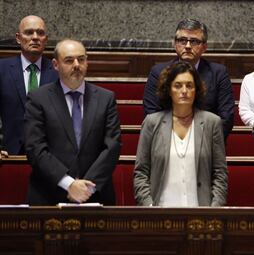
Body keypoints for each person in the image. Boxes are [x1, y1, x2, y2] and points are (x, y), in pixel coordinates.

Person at [24, 39, 121, 205]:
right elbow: (35, 147)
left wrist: (85, 188)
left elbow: (112, 147)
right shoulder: (38, 98)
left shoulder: (106, 98)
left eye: (81, 59)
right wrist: (69, 184)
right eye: (69, 60)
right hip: (49, 196)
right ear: (55, 64)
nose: (77, 65)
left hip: (96, 196)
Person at [134, 62, 228, 207]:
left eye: (189, 85)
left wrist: (213, 210)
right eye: (178, 85)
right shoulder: (152, 123)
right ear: (169, 90)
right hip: (160, 212)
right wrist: (150, 208)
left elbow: (220, 173)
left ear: (196, 90)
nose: (184, 90)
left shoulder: (212, 123)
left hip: (201, 213)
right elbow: (141, 173)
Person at [143, 18, 234, 139]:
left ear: (204, 47)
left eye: (194, 41)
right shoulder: (158, 72)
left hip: (206, 144)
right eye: (182, 40)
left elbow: (226, 117)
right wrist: (175, 141)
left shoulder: (219, 73)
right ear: (174, 44)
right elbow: (151, 112)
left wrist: (199, 143)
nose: (187, 46)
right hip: (166, 142)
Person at [0, 15, 59, 155]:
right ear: (18, 38)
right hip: (8, 154)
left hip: (50, 156)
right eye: (29, 32)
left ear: (46, 39)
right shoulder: (2, 69)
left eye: (40, 33)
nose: (35, 37)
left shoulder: (58, 72)